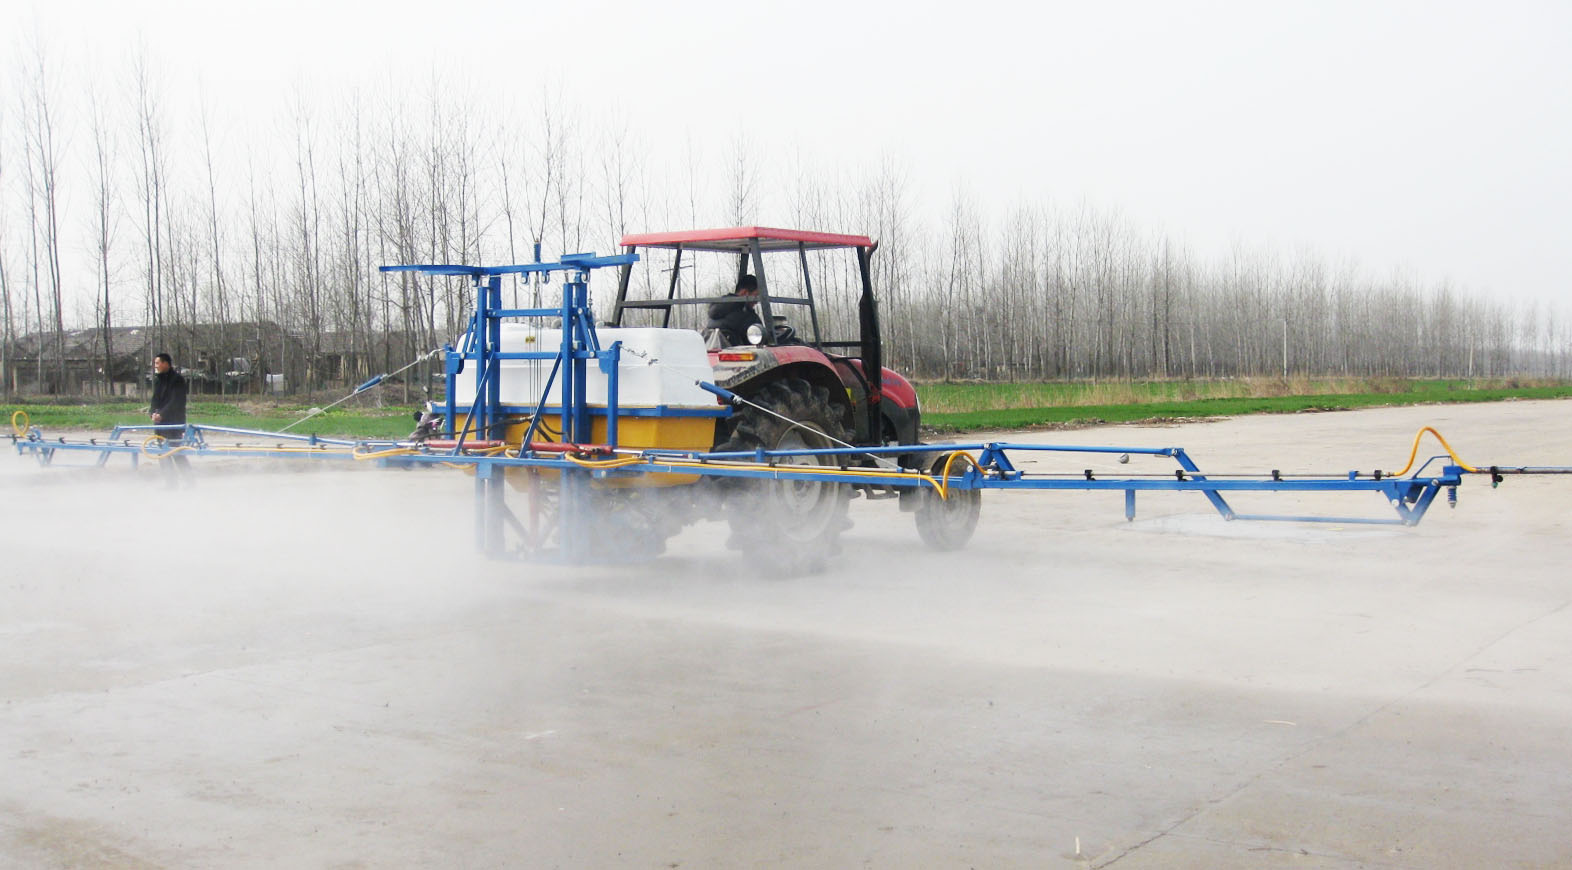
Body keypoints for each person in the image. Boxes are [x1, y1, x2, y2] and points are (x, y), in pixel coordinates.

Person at [149, 352, 192, 480]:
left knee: (176, 453)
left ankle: (189, 481)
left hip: (174, 423)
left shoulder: (177, 380)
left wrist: (161, 414)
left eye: (157, 363)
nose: (155, 366)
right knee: (162, 454)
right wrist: (152, 413)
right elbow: (154, 400)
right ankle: (170, 483)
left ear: (165, 363)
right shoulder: (158, 381)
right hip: (160, 425)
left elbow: (175, 402)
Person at [707, 274, 763, 347]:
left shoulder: (716, 310)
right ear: (745, 293)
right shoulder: (748, 317)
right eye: (756, 296)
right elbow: (760, 341)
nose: (756, 301)